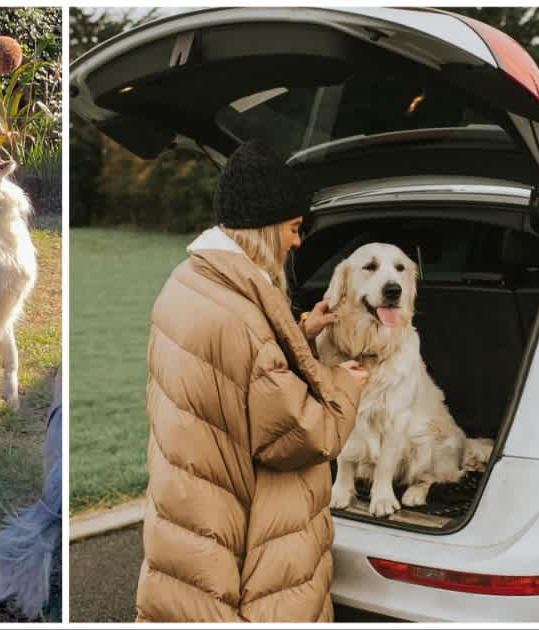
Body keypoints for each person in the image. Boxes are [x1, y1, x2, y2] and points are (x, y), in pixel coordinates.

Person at [136, 139, 369, 622]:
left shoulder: (186, 281)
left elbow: (230, 371)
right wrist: (346, 383)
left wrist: (299, 332)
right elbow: (300, 435)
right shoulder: (245, 320)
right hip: (237, 527)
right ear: (264, 230)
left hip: (188, 505)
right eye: (293, 228)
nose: (298, 242)